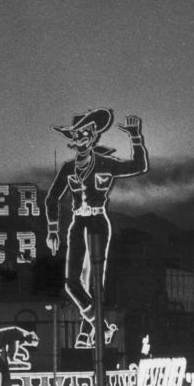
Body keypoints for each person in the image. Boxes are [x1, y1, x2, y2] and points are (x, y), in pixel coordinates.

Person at [45, 109, 149, 348]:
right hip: (77, 223)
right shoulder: (68, 167)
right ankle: (100, 327)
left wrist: (135, 137)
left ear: (93, 136)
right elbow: (52, 198)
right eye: (77, 133)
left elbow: (140, 165)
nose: (81, 137)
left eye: (86, 133)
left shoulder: (106, 164)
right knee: (71, 282)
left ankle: (87, 335)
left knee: (94, 280)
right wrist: (52, 230)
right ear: (72, 139)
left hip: (97, 222)